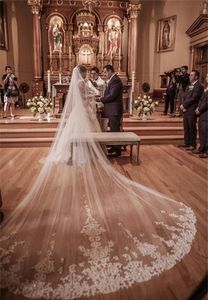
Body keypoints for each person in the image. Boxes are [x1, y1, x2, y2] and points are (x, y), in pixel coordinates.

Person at [0, 65, 197, 300]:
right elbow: (87, 97)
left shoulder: (81, 83)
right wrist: (94, 98)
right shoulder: (84, 84)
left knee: (85, 135)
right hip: (85, 113)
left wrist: (95, 98)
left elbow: (84, 98)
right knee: (89, 134)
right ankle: (87, 154)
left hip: (80, 114)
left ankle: (80, 154)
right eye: (87, 74)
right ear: (84, 75)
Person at [100, 64, 123, 156]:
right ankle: (114, 147)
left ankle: (117, 150)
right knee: (113, 129)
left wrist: (101, 99)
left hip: (114, 110)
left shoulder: (115, 80)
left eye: (105, 72)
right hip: (112, 109)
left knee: (115, 130)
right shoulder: (113, 80)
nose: (104, 74)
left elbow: (112, 95)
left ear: (110, 71)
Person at [179, 70, 204, 151]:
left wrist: (185, 105)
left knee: (191, 127)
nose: (190, 76)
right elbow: (184, 95)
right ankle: (186, 142)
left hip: (192, 109)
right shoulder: (189, 85)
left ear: (196, 76)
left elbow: (194, 98)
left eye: (192, 75)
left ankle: (192, 144)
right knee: (186, 127)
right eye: (190, 75)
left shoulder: (199, 86)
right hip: (185, 109)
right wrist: (183, 105)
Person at [193, 73, 208, 158]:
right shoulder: (205, 89)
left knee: (206, 133)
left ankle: (206, 151)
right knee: (202, 133)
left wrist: (199, 109)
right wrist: (198, 107)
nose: (206, 78)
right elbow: (201, 100)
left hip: (206, 114)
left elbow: (206, 103)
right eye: (206, 76)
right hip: (202, 114)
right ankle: (201, 148)